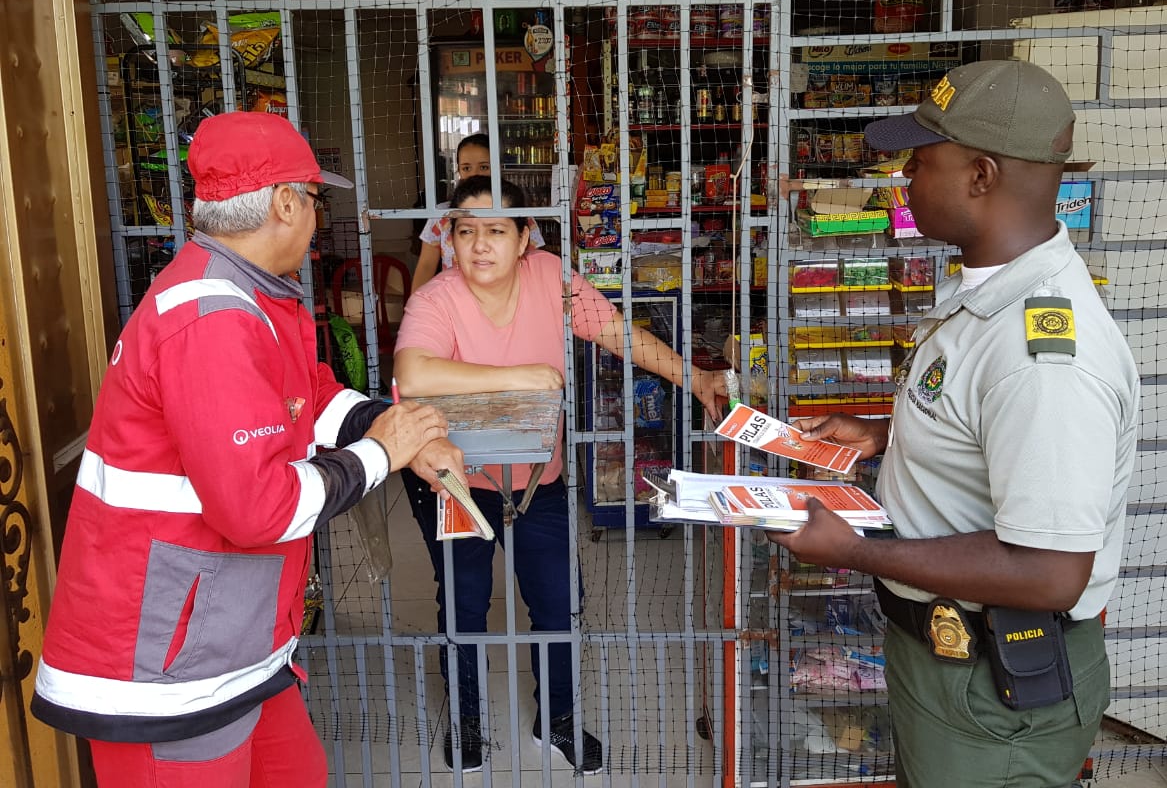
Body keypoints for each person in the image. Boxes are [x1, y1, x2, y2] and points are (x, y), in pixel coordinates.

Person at [31, 111, 465, 788]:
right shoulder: (212, 319)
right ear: (285, 203)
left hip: (235, 642)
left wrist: (402, 436)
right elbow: (257, 509)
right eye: (316, 201)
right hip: (166, 677)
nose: (319, 222)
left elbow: (312, 398)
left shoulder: (256, 296)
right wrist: (381, 454)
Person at [768, 60, 1140, 788]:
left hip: (995, 692)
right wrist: (885, 430)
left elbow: (1049, 570)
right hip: (951, 669)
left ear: (981, 175)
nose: (905, 179)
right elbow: (980, 420)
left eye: (920, 160)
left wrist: (852, 549)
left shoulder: (1045, 355)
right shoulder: (987, 293)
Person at [394, 175, 726, 774]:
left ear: (526, 238)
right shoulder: (435, 298)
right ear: (450, 237)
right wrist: (521, 374)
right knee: (464, 603)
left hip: (537, 480)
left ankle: (559, 719)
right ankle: (467, 719)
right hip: (454, 481)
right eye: (466, 231)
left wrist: (695, 378)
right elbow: (413, 374)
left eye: (496, 231)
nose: (480, 246)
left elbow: (619, 334)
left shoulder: (552, 278)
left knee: (558, 602)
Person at [410, 132, 545, 292]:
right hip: (455, 304)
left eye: (484, 167)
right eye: (466, 168)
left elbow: (536, 264)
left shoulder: (517, 212)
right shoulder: (443, 215)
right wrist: (415, 308)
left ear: (498, 168)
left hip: (505, 304)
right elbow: (426, 266)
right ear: (458, 170)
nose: (475, 174)